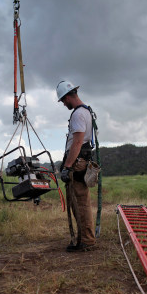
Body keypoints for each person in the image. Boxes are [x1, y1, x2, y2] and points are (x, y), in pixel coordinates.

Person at [57, 80, 96, 252]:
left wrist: (67, 166)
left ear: (67, 96)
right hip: (82, 161)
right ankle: (84, 238)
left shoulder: (79, 114)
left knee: (80, 203)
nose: (64, 104)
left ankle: (86, 241)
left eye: (63, 100)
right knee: (78, 202)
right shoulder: (86, 111)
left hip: (77, 162)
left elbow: (78, 142)